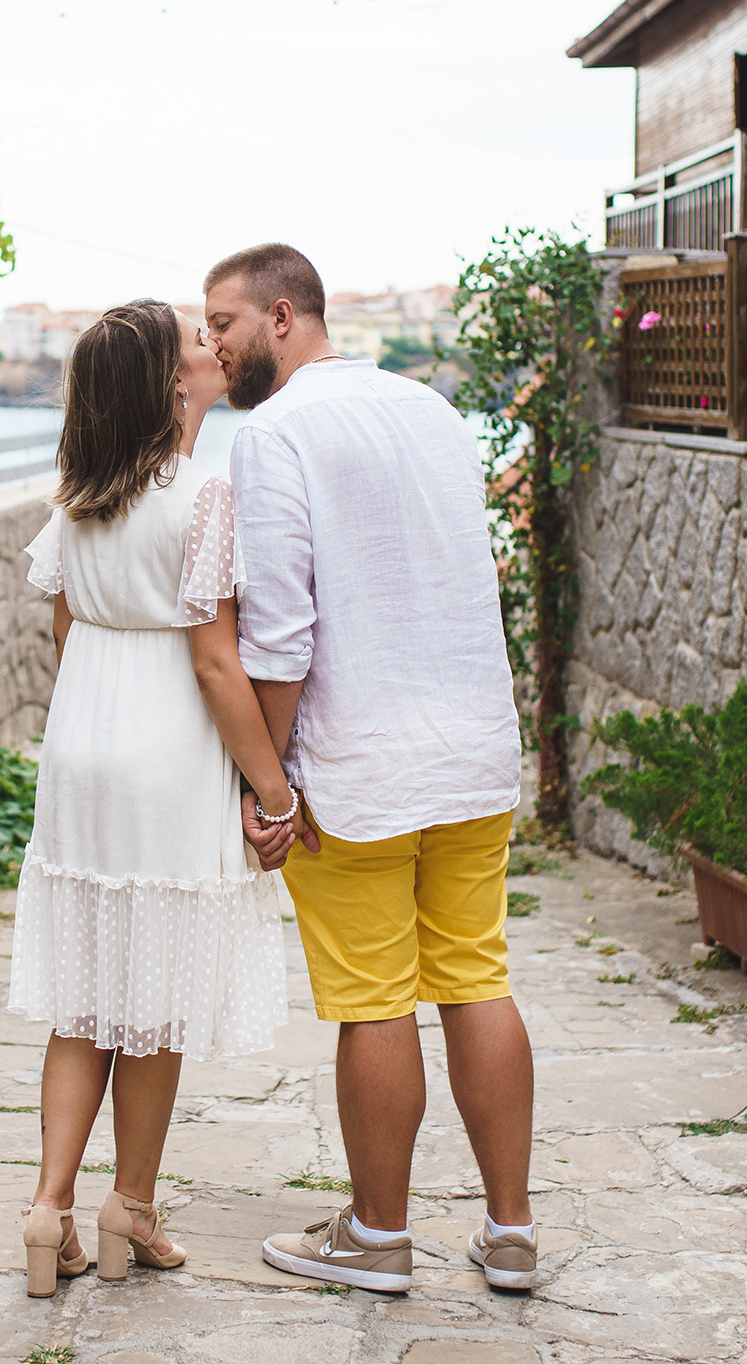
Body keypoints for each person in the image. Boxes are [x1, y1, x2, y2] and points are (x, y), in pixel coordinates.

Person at [205, 242, 539, 1296]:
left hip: (354, 763)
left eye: (223, 322)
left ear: (285, 313)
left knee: (371, 998)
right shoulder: (434, 412)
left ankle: (378, 1235)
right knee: (476, 976)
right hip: (473, 746)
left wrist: (271, 784)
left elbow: (281, 631)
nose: (213, 344)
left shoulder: (276, 434)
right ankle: (511, 1228)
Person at [6, 298, 297, 1297]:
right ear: (173, 384)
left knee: (83, 992)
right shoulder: (203, 495)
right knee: (154, 997)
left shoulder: (76, 491)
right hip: (166, 752)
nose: (214, 349)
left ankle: (47, 1207)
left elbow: (62, 628)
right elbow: (218, 666)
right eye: (194, 344)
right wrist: (273, 788)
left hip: (81, 746)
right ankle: (129, 1201)